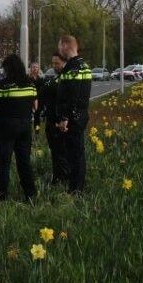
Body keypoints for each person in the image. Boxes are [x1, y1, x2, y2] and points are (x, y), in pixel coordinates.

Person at [0, 54, 38, 201]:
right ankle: (30, 194)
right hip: (24, 127)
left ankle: (1, 195)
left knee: (3, 162)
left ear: (7, 68)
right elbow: (35, 106)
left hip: (5, 128)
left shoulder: (3, 84)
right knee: (24, 162)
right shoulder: (30, 84)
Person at [55, 35, 93, 194]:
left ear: (65, 46)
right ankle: (78, 186)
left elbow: (71, 96)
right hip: (82, 114)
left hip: (72, 117)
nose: (59, 50)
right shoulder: (84, 65)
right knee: (79, 153)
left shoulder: (71, 68)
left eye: (59, 47)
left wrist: (64, 118)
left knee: (74, 154)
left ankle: (75, 190)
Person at [42, 54, 68, 185]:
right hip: (52, 119)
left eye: (57, 63)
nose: (54, 66)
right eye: (53, 63)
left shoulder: (65, 78)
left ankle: (61, 178)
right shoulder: (56, 78)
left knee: (60, 152)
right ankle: (58, 176)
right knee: (56, 151)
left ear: (64, 62)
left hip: (59, 121)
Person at [28, 62, 44, 131]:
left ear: (38, 69)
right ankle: (28, 131)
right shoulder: (27, 79)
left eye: (36, 67)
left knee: (37, 117)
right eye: (33, 67)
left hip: (38, 100)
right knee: (28, 117)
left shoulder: (40, 79)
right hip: (29, 100)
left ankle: (37, 130)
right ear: (30, 68)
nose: (35, 69)